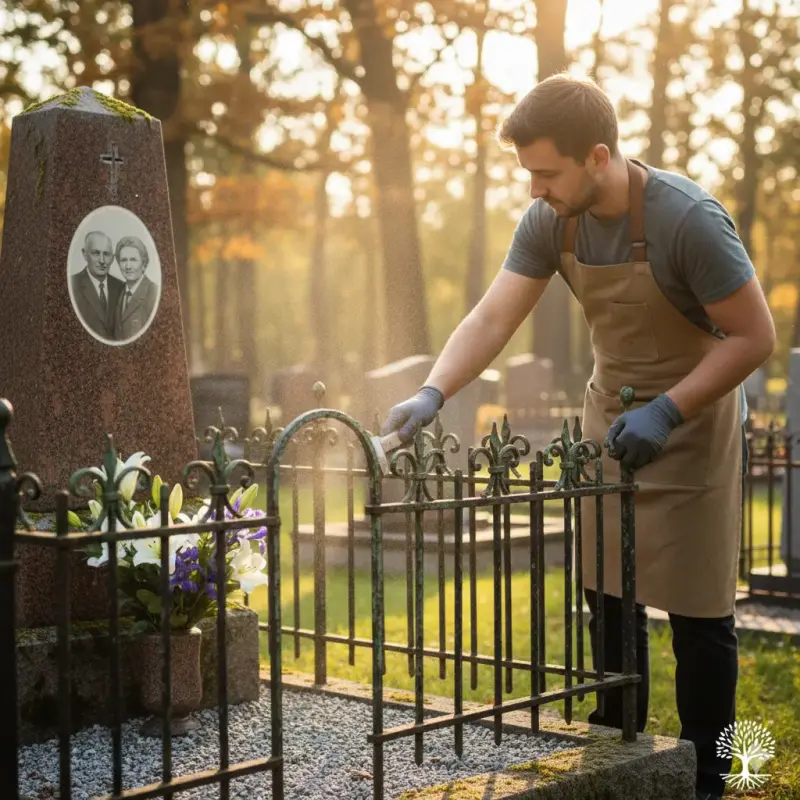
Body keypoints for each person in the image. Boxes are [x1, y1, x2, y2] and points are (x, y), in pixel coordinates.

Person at [380, 74, 776, 800]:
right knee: (610, 598)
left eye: (545, 171)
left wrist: (669, 411)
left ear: (598, 157)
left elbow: (755, 337)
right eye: (528, 172)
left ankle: (710, 777)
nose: (535, 187)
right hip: (609, 421)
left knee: (700, 620)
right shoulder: (548, 221)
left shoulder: (689, 219)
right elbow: (493, 318)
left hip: (693, 424)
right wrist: (435, 391)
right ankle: (619, 757)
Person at [70, 230, 125, 340]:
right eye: (95, 253)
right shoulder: (73, 284)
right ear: (85, 254)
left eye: (106, 254)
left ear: (113, 258)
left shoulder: (121, 287)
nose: (102, 260)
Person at [113, 235, 158, 340]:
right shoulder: (120, 293)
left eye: (133, 260)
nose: (128, 266)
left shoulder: (153, 292)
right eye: (124, 260)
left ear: (144, 263)